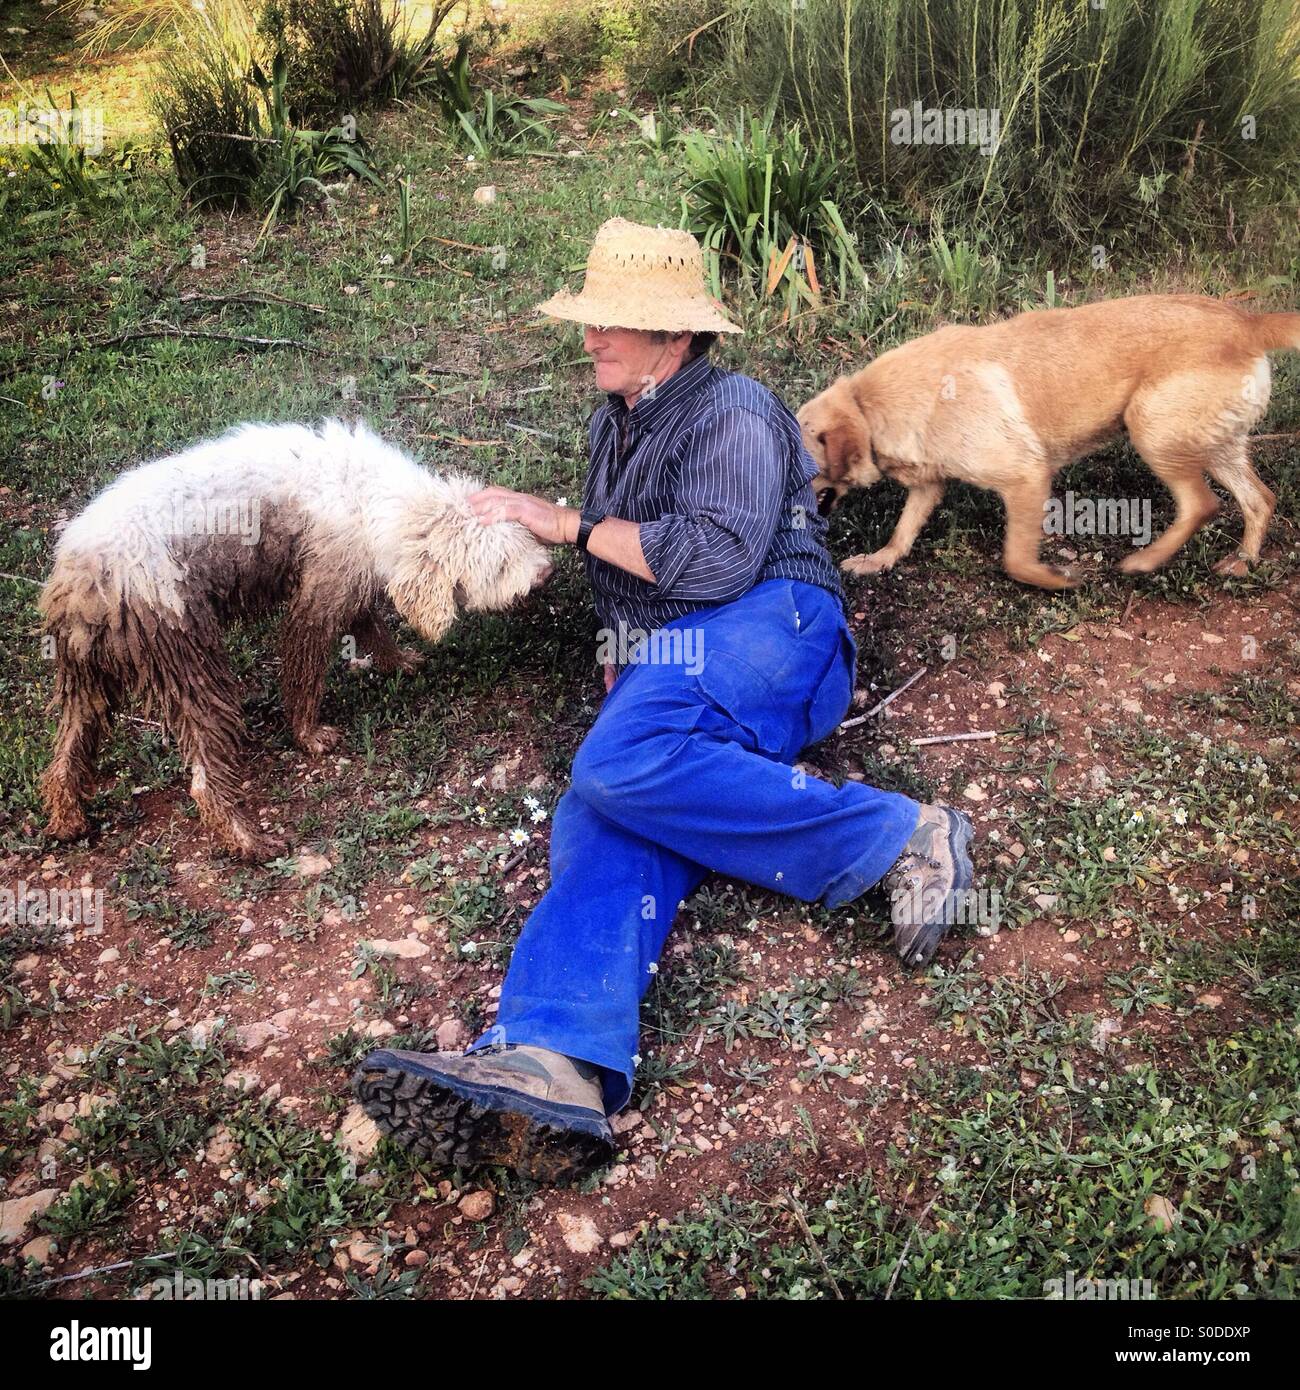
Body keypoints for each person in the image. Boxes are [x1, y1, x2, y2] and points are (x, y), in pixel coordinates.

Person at [354, 218, 975, 1183]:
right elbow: (629, 574)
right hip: (691, 652)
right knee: (604, 797)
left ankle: (894, 834)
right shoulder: (619, 418)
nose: (592, 336)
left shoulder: (730, 409)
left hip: (780, 622)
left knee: (612, 765)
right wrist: (628, 663)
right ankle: (559, 1058)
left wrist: (558, 522)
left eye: (616, 322)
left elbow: (716, 560)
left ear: (676, 339)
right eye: (593, 319)